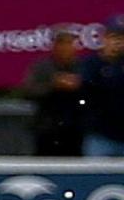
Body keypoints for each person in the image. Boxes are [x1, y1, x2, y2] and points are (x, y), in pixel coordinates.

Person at [19, 26, 91, 157]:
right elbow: (28, 91)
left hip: (77, 128)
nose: (66, 48)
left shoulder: (83, 66)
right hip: (47, 127)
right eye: (62, 43)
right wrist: (53, 85)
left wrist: (79, 85)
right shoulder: (42, 66)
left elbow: (95, 92)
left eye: (70, 43)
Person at [83, 19, 124, 159]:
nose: (118, 42)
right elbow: (85, 90)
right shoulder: (92, 63)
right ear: (105, 38)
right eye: (114, 37)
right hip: (101, 136)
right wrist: (107, 61)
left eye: (122, 38)